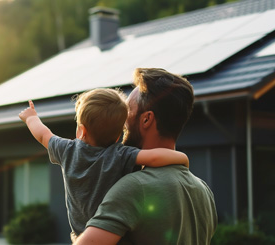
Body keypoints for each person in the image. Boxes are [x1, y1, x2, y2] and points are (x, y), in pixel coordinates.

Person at [18, 88, 190, 242]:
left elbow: (43, 135)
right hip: (116, 234)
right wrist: (181, 157)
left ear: (82, 130)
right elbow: (153, 158)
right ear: (118, 137)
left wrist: (31, 118)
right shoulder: (120, 154)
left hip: (82, 234)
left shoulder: (67, 150)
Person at [76, 68, 218, 245]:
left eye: (127, 112)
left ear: (146, 119)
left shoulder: (135, 187)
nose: (121, 122)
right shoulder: (203, 191)